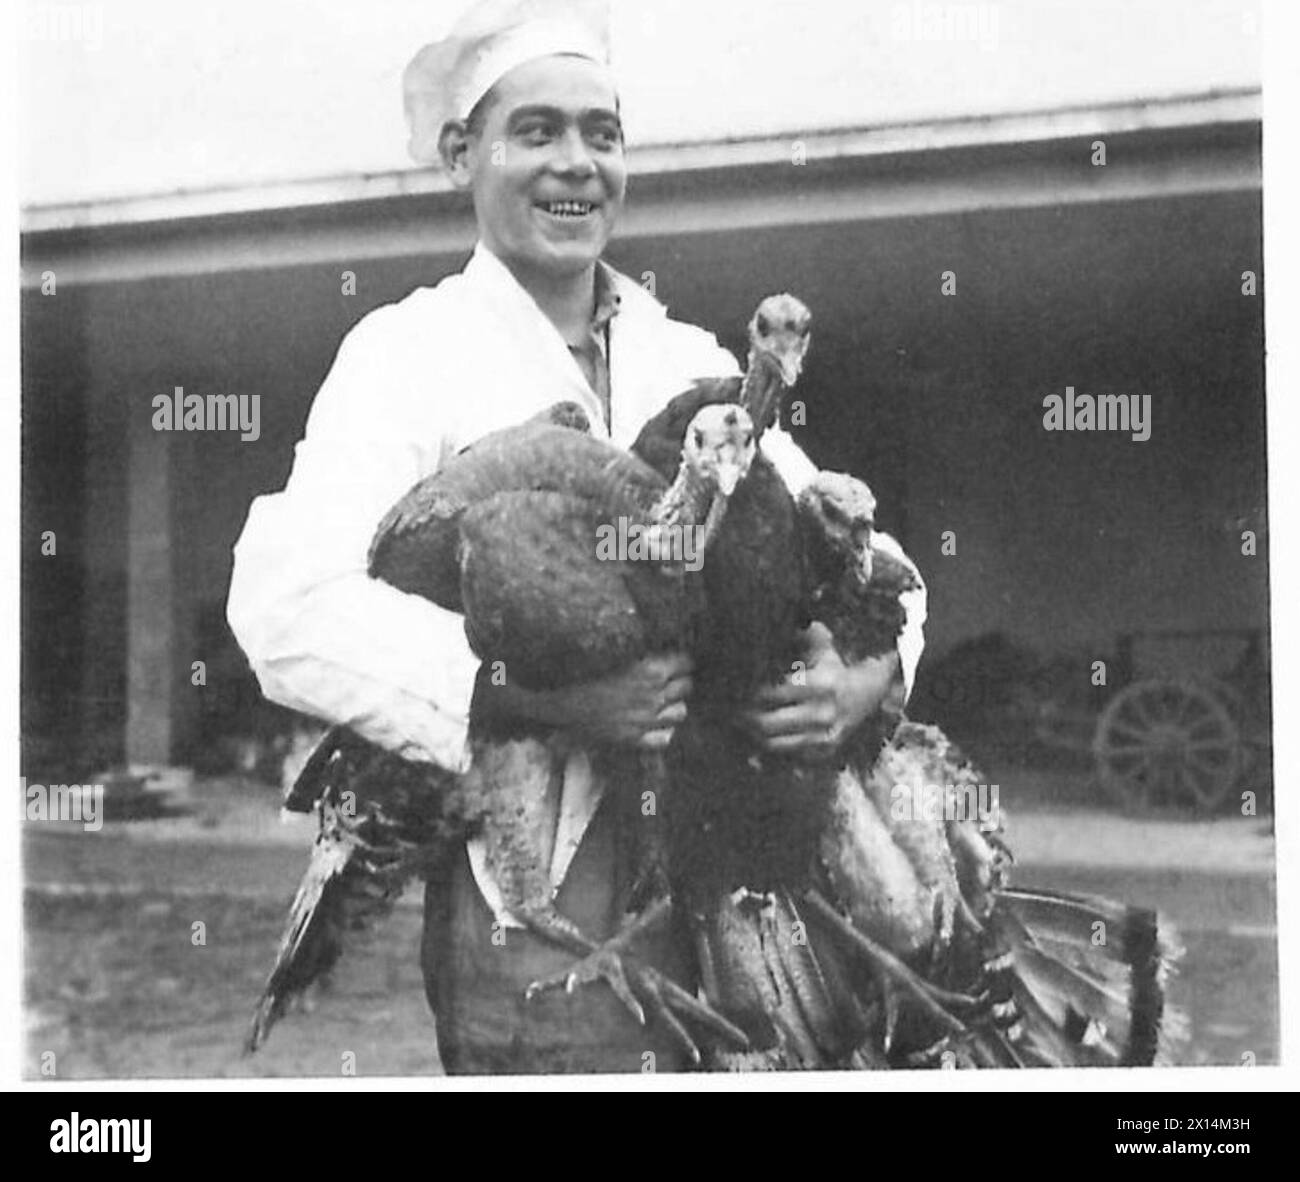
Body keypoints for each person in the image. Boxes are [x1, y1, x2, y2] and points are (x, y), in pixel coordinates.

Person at [226, 0, 926, 1074]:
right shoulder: (406, 353)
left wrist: (859, 677)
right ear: (464, 153)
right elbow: (284, 602)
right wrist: (520, 696)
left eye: (602, 134)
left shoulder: (689, 357)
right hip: (540, 880)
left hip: (733, 868)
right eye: (537, 131)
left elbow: (874, 564)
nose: (577, 164)